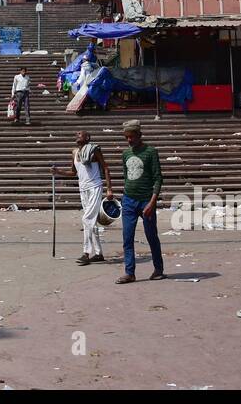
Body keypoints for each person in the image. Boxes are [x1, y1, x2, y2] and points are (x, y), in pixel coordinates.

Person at [116, 119, 165, 284]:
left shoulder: (151, 152)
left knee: (151, 236)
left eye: (132, 136)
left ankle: (158, 269)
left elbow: (158, 178)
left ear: (139, 135)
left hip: (146, 201)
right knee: (127, 238)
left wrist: (152, 202)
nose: (129, 140)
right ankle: (130, 273)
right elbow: (126, 175)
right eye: (126, 137)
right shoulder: (126, 154)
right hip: (128, 200)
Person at [52, 131, 112, 265]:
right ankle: (98, 253)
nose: (77, 136)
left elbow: (106, 168)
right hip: (83, 189)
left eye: (81, 134)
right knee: (91, 222)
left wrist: (109, 189)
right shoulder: (74, 152)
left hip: (95, 187)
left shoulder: (94, 150)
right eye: (76, 135)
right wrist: (58, 171)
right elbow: (73, 172)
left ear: (87, 138)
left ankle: (86, 253)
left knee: (87, 219)